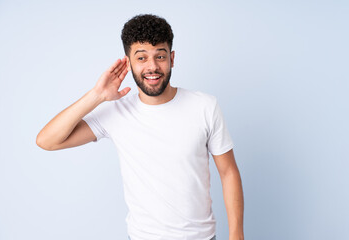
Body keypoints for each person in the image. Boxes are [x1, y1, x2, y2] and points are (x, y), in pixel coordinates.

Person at [36, 14, 244, 240]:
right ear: (128, 62)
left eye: (160, 56)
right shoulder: (116, 112)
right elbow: (47, 141)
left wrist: (236, 234)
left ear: (172, 59)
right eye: (142, 58)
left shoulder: (205, 106)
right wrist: (96, 96)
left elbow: (228, 171)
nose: (152, 67)